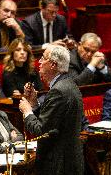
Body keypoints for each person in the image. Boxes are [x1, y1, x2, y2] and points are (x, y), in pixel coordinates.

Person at [19, 45, 84, 175]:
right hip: (68, 161)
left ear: (53, 65)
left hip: (58, 165)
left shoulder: (58, 91)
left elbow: (41, 130)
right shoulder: (68, 84)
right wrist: (34, 104)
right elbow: (52, 123)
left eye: (43, 58)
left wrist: (27, 111)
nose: (40, 62)